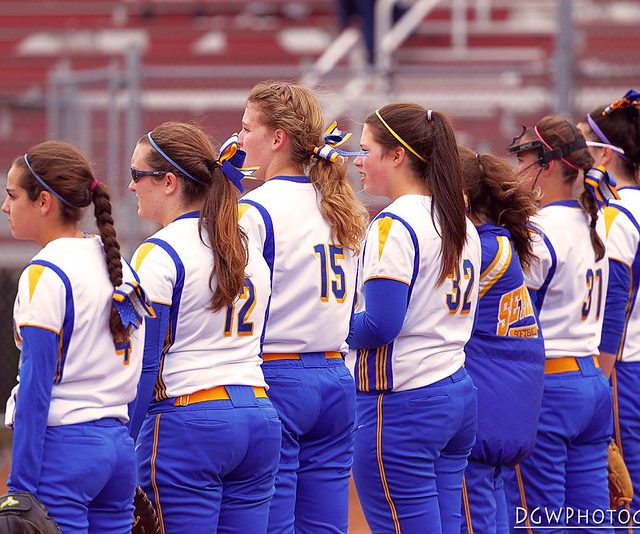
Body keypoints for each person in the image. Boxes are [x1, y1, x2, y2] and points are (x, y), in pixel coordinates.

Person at [127, 122, 281, 533]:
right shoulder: (244, 243)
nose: (130, 187)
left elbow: (144, 363)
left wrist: (122, 439)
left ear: (169, 182)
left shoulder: (159, 251)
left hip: (190, 424)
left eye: (137, 176)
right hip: (259, 416)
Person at [237, 81, 369, 533]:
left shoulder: (254, 209)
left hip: (277, 375)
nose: (238, 140)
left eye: (247, 127)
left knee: (273, 523)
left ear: (278, 139)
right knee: (326, 525)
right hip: (335, 376)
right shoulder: (341, 206)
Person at [347, 104, 481, 534]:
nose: (358, 161)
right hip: (454, 389)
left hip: (403, 402)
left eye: (366, 150)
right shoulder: (459, 220)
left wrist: (323, 324)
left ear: (397, 155)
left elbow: (380, 326)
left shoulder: (395, 223)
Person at [2, 141, 148, 533]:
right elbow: (142, 365)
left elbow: (35, 388)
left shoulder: (45, 271)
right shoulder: (118, 263)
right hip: (117, 449)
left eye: (12, 196)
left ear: (44, 201)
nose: (5, 207)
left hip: (64, 451)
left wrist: (20, 488)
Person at [503, 115, 613, 531]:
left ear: (548, 164)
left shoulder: (537, 230)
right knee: (592, 520)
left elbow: (513, 322)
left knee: (537, 519)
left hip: (550, 387)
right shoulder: (594, 220)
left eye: (525, 159)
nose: (518, 169)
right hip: (590, 383)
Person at [457, 146, 545, 534]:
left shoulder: (481, 249)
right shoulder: (500, 242)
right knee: (495, 512)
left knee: (473, 517)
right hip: (508, 407)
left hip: (484, 410)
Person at [579, 89, 640, 525]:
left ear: (604, 155)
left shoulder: (615, 214)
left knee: (623, 495)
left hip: (622, 368)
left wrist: (598, 381)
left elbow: (614, 304)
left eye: (584, 142)